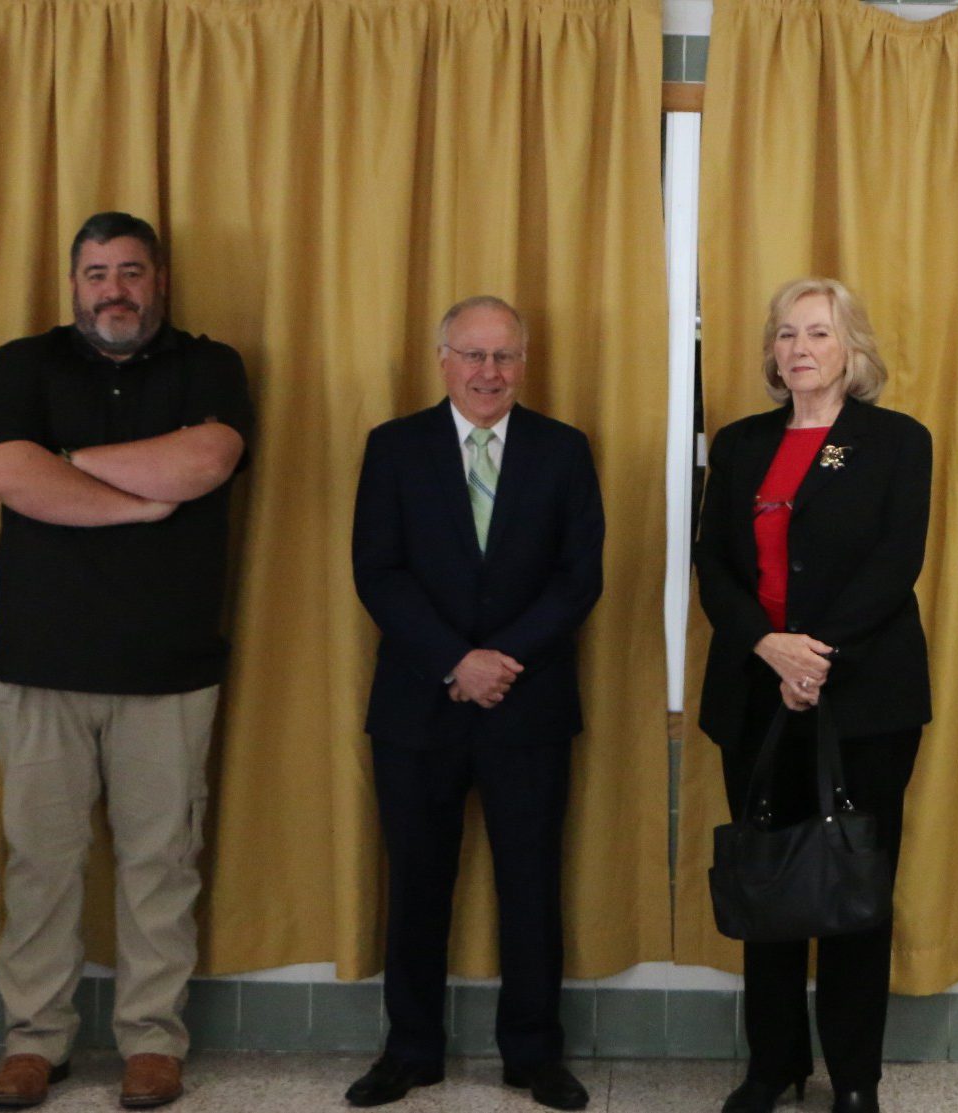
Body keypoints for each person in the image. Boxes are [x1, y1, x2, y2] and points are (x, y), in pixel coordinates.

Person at [0, 211, 252, 1111]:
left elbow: (206, 459)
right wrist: (136, 501)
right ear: (74, 283)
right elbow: (9, 475)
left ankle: (151, 1041)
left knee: (161, 863)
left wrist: (73, 466)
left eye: (131, 272)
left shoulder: (212, 367)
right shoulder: (25, 362)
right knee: (39, 864)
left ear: (160, 280)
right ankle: (34, 1041)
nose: (114, 290)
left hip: (169, 670)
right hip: (38, 664)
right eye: (97, 274)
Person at [347, 296, 603, 1111]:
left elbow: (579, 575)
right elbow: (377, 570)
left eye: (505, 357)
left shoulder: (564, 450)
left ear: (524, 363)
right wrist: (456, 659)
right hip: (419, 705)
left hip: (527, 705)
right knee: (418, 883)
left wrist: (503, 661)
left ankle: (533, 1053)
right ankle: (411, 1049)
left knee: (531, 886)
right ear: (443, 359)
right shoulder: (393, 448)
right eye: (474, 355)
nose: (489, 372)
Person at [694, 277, 931, 1113]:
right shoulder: (740, 442)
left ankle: (855, 1076)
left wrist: (813, 658)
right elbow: (714, 566)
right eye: (786, 334)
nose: (799, 349)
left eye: (819, 334)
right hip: (755, 696)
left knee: (854, 890)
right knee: (770, 882)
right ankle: (773, 1065)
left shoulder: (898, 441)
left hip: (863, 698)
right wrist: (768, 646)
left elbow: (894, 563)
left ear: (852, 349)